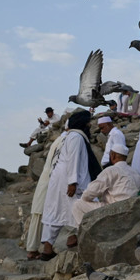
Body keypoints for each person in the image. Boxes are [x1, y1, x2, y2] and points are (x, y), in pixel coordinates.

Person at [41, 111, 101, 259]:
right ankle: (54, 247)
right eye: (88, 122)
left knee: (58, 211)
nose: (90, 125)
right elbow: (72, 160)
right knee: (79, 208)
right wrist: (72, 182)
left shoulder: (71, 136)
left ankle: (64, 243)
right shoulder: (76, 137)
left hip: (62, 179)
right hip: (69, 180)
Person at [71, 143, 140, 227]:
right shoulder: (136, 172)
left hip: (114, 211)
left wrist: (85, 199)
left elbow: (90, 192)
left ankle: (85, 234)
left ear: (113, 155)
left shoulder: (111, 170)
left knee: (77, 204)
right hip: (133, 211)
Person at [25, 127, 68, 260]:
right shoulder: (66, 140)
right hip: (50, 181)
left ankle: (34, 249)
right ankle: (36, 250)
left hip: (46, 179)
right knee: (42, 215)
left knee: (39, 215)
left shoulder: (59, 140)